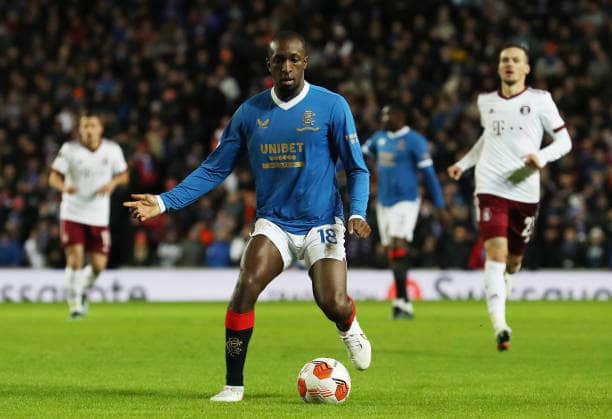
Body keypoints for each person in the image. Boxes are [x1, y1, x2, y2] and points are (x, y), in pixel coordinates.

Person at [124, 31, 372, 402]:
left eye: (293, 59)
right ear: (268, 65)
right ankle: (233, 386)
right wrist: (163, 202)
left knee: (331, 301)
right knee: (246, 286)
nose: (286, 67)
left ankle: (349, 324)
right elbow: (213, 169)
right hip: (274, 222)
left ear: (305, 62)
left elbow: (357, 169)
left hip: (323, 221)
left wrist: (357, 212)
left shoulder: (331, 106)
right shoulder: (250, 113)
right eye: (278, 60)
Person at [447, 43, 572, 351]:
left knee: (513, 263)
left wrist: (541, 158)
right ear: (498, 66)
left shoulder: (541, 101)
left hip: (525, 190)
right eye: (504, 60)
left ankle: (504, 290)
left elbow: (565, 140)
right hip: (490, 186)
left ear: (527, 68)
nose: (510, 64)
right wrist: (463, 165)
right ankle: (500, 325)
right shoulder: (486, 101)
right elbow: (487, 139)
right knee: (497, 254)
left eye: (516, 60)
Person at [362, 103, 444, 319]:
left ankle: (404, 300)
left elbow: (429, 174)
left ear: (400, 116)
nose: (384, 118)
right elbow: (359, 154)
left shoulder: (414, 141)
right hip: (384, 201)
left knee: (398, 242)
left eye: (387, 114)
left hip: (406, 200)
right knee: (391, 250)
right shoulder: (378, 138)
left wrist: (439, 203)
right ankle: (401, 301)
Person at [49, 113, 129, 319]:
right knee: (75, 260)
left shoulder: (112, 150)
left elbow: (124, 174)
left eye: (92, 125)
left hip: (98, 215)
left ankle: (79, 290)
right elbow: (54, 176)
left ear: (100, 129)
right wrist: (64, 187)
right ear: (80, 129)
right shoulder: (70, 150)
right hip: (72, 212)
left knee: (98, 266)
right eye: (85, 126)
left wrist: (112, 183)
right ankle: (74, 305)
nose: (88, 130)